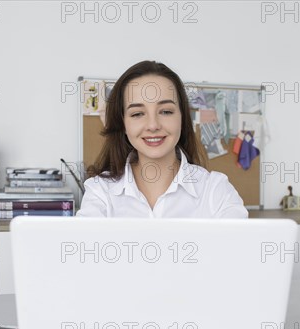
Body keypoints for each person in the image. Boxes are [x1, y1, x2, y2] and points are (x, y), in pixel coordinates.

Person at [76, 60, 248, 218]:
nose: (153, 125)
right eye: (137, 114)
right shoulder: (100, 192)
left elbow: (239, 248)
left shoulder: (216, 191)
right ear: (123, 125)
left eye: (166, 111)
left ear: (182, 118)